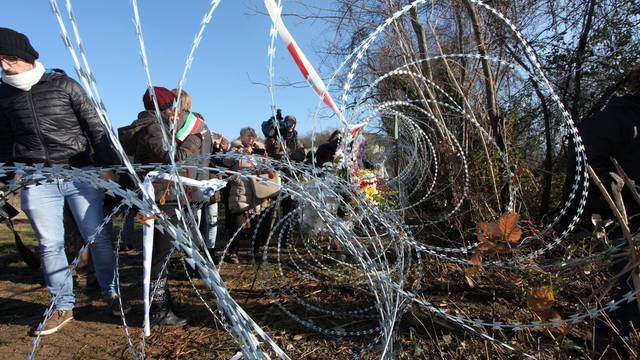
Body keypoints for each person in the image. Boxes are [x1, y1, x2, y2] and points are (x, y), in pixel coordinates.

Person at [0, 28, 130, 335]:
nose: (5, 66)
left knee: (96, 236)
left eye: (10, 59)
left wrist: (107, 165)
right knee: (49, 244)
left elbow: (95, 126)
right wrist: (4, 180)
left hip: (79, 171)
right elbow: (4, 143)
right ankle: (62, 305)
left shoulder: (63, 85)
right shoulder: (3, 96)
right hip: (37, 176)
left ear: (28, 57)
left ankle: (111, 293)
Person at [130, 86, 208, 326]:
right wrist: (196, 138)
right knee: (159, 255)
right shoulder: (152, 128)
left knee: (160, 253)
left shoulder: (153, 126)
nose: (176, 111)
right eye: (172, 106)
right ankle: (158, 309)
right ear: (163, 108)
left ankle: (161, 302)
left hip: (163, 196)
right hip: (161, 199)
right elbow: (172, 159)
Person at [580, 66, 640, 340]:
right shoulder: (620, 117)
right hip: (617, 222)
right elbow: (586, 162)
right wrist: (624, 191)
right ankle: (600, 338)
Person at [225, 127, 270, 262]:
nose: (251, 139)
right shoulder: (235, 148)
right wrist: (241, 152)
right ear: (241, 137)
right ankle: (233, 252)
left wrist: (264, 159)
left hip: (256, 191)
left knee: (256, 223)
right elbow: (226, 161)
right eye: (248, 136)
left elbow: (265, 170)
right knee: (237, 223)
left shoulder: (259, 149)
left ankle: (256, 250)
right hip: (240, 190)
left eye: (253, 136)